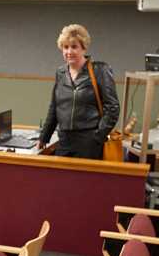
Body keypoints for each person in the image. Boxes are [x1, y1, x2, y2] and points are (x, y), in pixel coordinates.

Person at [38, 24, 119, 159]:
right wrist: (44, 136)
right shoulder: (61, 72)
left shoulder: (100, 70)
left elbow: (113, 108)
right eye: (65, 47)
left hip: (89, 141)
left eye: (74, 46)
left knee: (85, 180)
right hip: (64, 140)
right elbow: (54, 107)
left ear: (83, 48)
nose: (69, 51)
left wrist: (98, 137)